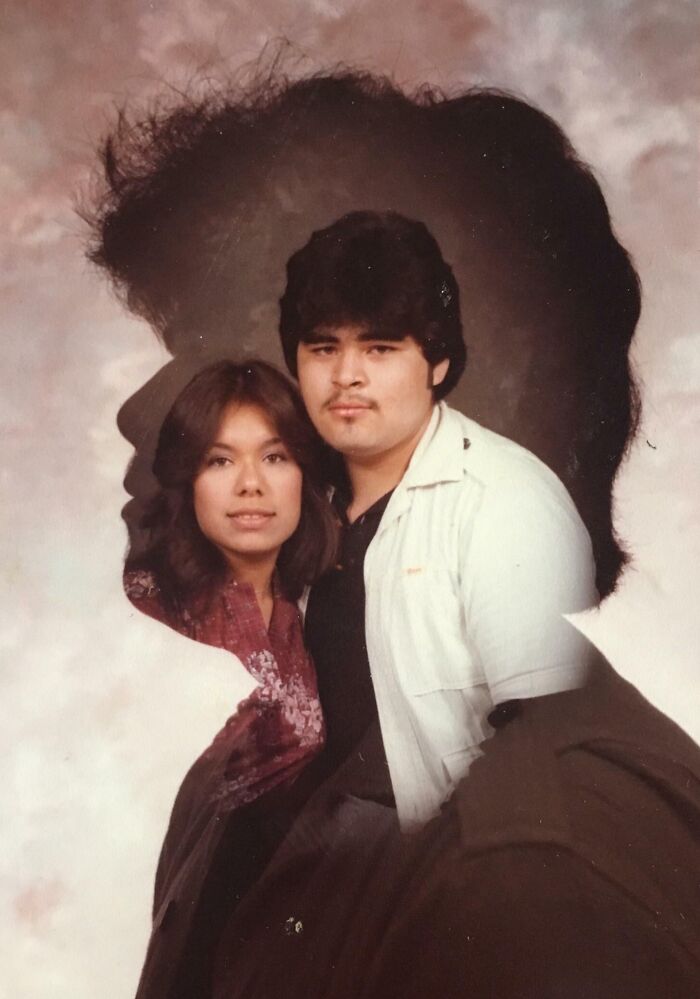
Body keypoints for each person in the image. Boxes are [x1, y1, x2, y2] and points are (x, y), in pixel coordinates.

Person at [280, 209, 602, 829]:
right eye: (324, 348)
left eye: (379, 347)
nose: (346, 375)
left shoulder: (504, 499)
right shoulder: (299, 499)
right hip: (326, 872)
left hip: (455, 881)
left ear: (436, 364)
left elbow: (555, 755)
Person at [123, 359, 338, 999]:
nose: (250, 485)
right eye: (220, 462)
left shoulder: (310, 618)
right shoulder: (155, 614)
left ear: (306, 475)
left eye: (274, 458)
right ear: (188, 481)